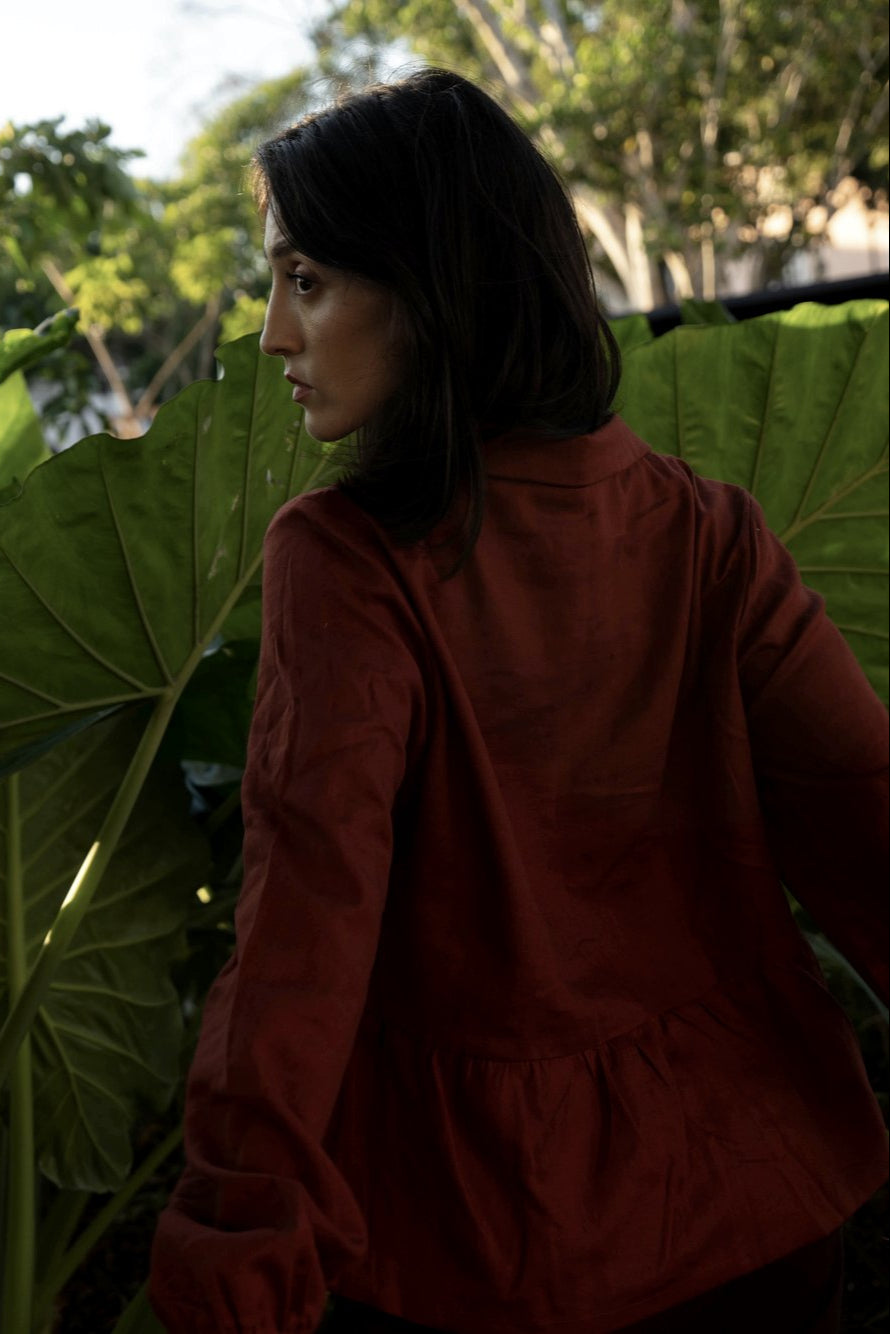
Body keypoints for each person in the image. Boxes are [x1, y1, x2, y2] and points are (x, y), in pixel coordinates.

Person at [148, 67, 888, 1334]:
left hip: (489, 1234)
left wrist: (238, 1249)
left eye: (305, 280)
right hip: (758, 1201)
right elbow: (864, 819)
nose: (271, 332)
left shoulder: (348, 558)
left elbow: (302, 931)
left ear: (432, 285)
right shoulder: (707, 529)